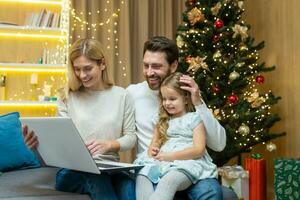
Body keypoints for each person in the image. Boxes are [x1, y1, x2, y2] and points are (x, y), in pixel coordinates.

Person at [24, 38, 137, 200]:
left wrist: (109, 145)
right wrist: (36, 147)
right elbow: (61, 143)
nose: (82, 75)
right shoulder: (67, 97)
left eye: (87, 69)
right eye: (77, 69)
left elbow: (131, 137)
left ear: (102, 64)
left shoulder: (122, 95)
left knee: (128, 187)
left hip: (110, 167)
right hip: (72, 170)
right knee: (96, 177)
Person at [127, 36, 238, 200]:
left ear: (173, 65)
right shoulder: (132, 94)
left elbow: (219, 144)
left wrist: (198, 102)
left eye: (156, 66)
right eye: (146, 65)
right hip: (155, 165)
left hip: (188, 166)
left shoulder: (188, 94)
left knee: (213, 192)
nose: (149, 72)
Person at [134, 72, 218, 200]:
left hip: (186, 162)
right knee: (142, 175)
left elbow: (198, 150)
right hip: (162, 160)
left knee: (168, 181)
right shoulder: (162, 119)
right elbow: (154, 145)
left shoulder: (194, 119)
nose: (167, 103)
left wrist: (170, 156)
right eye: (164, 99)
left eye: (172, 99)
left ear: (185, 98)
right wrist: (153, 150)